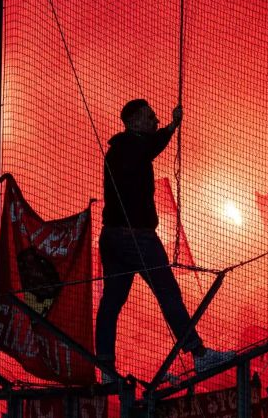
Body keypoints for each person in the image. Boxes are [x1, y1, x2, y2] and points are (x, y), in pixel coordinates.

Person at [95, 99, 234, 374]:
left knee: (111, 302)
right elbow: (152, 146)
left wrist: (169, 127)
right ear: (134, 120)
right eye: (150, 117)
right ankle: (198, 353)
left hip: (112, 237)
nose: (155, 121)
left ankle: (106, 368)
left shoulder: (120, 149)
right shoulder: (133, 147)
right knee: (168, 293)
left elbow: (150, 146)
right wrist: (172, 126)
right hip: (138, 239)